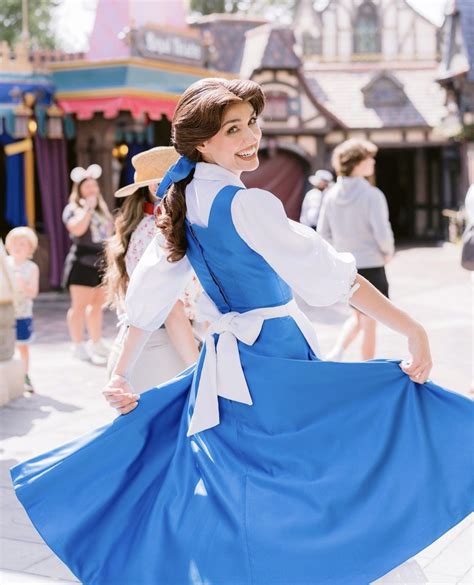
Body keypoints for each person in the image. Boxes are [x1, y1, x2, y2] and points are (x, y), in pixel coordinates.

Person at [10, 79, 473, 585]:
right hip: (276, 358)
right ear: (202, 143)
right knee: (337, 454)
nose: (251, 135)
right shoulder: (245, 205)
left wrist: (119, 372)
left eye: (252, 122)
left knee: (251, 481)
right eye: (234, 129)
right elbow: (331, 277)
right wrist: (411, 328)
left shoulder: (181, 203)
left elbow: (146, 299)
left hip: (229, 365)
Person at [104, 146, 200, 391]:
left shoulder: (146, 226)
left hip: (145, 346)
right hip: (159, 348)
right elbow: (171, 309)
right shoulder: (159, 231)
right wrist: (200, 371)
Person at [318, 138, 395, 361]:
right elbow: (382, 232)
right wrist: (388, 252)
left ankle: (337, 352)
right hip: (372, 264)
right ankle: (367, 367)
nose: (373, 162)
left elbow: (323, 234)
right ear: (357, 163)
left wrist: (338, 255)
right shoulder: (372, 195)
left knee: (359, 314)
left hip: (347, 267)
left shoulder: (330, 196)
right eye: (369, 157)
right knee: (370, 321)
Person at [62, 164, 114, 365]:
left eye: (94, 185)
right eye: (87, 186)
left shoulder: (103, 210)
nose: (92, 189)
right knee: (79, 306)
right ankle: (77, 344)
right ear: (80, 190)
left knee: (97, 306)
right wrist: (87, 209)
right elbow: (77, 229)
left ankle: (96, 341)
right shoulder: (73, 209)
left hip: (101, 262)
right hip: (82, 262)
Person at [5, 227, 39, 392]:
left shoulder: (31, 267)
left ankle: (25, 376)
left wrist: (22, 284)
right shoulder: (4, 264)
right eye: (14, 243)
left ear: (30, 248)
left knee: (22, 346)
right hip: (5, 313)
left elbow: (33, 293)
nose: (18, 246)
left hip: (22, 314)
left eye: (23, 244)